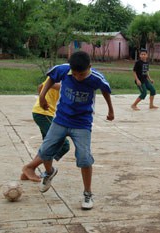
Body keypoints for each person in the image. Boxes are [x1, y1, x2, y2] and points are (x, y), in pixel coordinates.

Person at [37, 51, 114, 210]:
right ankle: (49, 172)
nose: (78, 77)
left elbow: (105, 90)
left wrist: (110, 110)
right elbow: (51, 78)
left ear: (90, 68)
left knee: (84, 158)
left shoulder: (95, 78)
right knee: (44, 151)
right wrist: (42, 97)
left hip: (82, 123)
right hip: (61, 119)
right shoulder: (64, 69)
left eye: (82, 74)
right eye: (76, 74)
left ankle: (87, 193)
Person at [21, 78, 70, 182]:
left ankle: (29, 171)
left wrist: (43, 97)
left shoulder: (61, 74)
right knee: (63, 144)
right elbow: (55, 85)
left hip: (43, 113)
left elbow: (40, 86)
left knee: (47, 146)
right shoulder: (63, 73)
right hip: (44, 114)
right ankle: (30, 167)